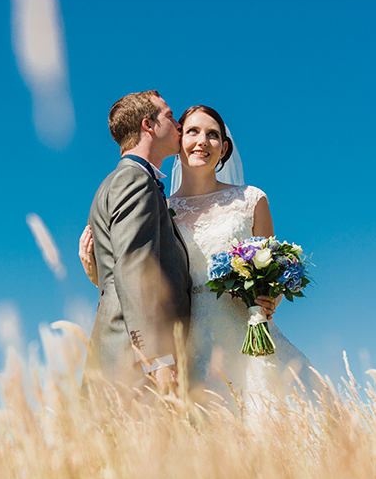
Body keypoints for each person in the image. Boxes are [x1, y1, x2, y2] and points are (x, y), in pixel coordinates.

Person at [81, 105, 315, 409]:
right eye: (192, 131)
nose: (202, 141)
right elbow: (136, 276)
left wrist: (270, 299)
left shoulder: (252, 200)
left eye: (213, 135)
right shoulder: (158, 206)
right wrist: (96, 274)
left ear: (224, 147)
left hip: (241, 334)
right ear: (179, 142)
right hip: (183, 342)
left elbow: (270, 273)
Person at [83, 90, 192, 395]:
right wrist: (157, 358)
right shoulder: (134, 180)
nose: (178, 124)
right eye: (169, 116)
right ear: (148, 125)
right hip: (134, 363)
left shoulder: (122, 181)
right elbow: (135, 267)